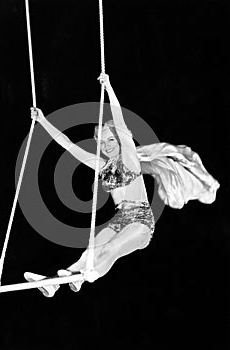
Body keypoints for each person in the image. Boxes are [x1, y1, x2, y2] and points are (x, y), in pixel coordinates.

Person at [25, 73, 155, 296]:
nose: (107, 145)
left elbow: (120, 122)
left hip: (141, 221)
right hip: (120, 218)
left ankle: (87, 276)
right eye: (102, 142)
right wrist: (42, 120)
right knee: (89, 253)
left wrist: (109, 88)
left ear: (120, 139)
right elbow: (66, 144)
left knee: (110, 249)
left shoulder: (130, 157)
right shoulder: (102, 166)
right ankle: (53, 283)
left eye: (111, 139)